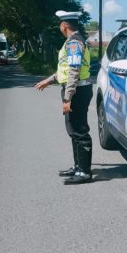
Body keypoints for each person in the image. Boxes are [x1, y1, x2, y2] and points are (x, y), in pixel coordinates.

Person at [34, 10, 93, 185]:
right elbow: (65, 69)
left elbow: (74, 72)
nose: (60, 27)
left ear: (64, 25)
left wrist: (68, 99)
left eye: (60, 24)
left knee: (80, 130)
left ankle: (84, 172)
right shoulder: (74, 41)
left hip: (77, 91)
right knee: (73, 130)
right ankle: (78, 166)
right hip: (75, 89)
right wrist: (49, 80)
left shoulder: (74, 43)